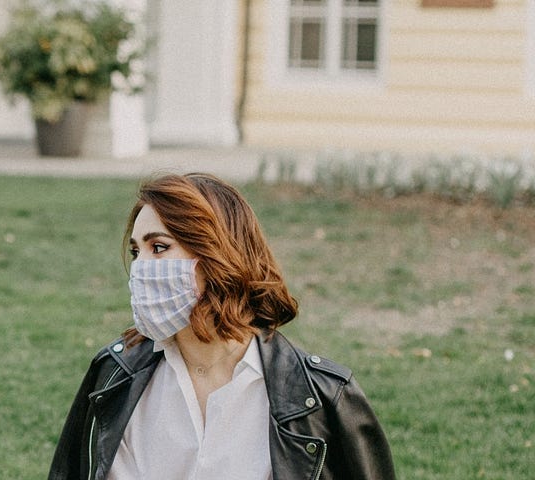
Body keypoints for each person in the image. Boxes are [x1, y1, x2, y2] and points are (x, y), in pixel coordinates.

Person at [48, 173, 394, 480]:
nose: (141, 269)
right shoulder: (113, 375)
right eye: (136, 252)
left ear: (218, 256)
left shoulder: (323, 397)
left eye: (159, 247)